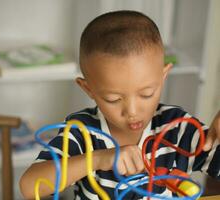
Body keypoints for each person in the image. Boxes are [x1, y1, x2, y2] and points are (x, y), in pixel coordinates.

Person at [19, 10, 220, 199]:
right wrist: (97, 159)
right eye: (113, 99)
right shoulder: (82, 132)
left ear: (163, 76)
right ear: (88, 89)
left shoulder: (178, 128)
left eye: (146, 94)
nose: (132, 112)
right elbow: (29, 186)